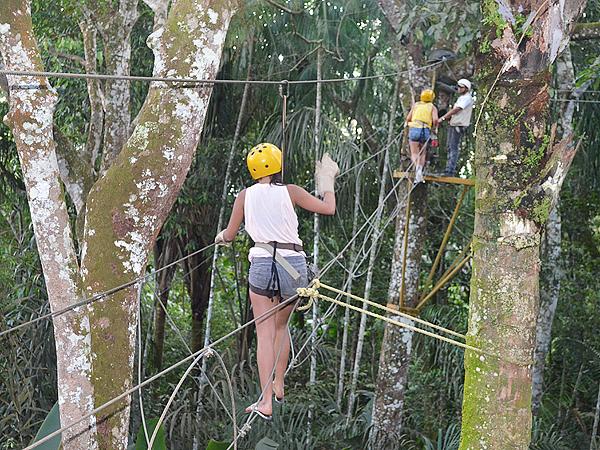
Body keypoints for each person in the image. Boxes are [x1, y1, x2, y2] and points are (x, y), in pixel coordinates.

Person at [215, 143, 339, 420]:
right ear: (279, 165)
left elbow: (231, 234)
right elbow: (328, 208)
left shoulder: (244, 196)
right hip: (292, 267)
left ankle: (266, 401)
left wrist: (221, 237)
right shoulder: (291, 191)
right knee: (281, 325)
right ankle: (279, 384)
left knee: (265, 333)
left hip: (262, 264)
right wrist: (326, 180)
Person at [437, 78, 474, 176]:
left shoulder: (466, 98)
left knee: (453, 147)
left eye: (460, 87)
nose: (458, 88)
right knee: (450, 147)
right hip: (454, 124)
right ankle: (448, 169)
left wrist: (444, 118)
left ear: (466, 88)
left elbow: (457, 109)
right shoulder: (461, 98)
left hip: (458, 125)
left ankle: (450, 171)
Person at [405, 89, 438, 184]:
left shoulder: (416, 105)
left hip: (414, 128)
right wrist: (434, 128)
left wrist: (408, 123)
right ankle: (420, 170)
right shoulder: (432, 107)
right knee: (422, 153)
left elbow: (408, 118)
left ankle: (417, 169)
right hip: (425, 130)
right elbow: (435, 120)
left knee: (414, 153)